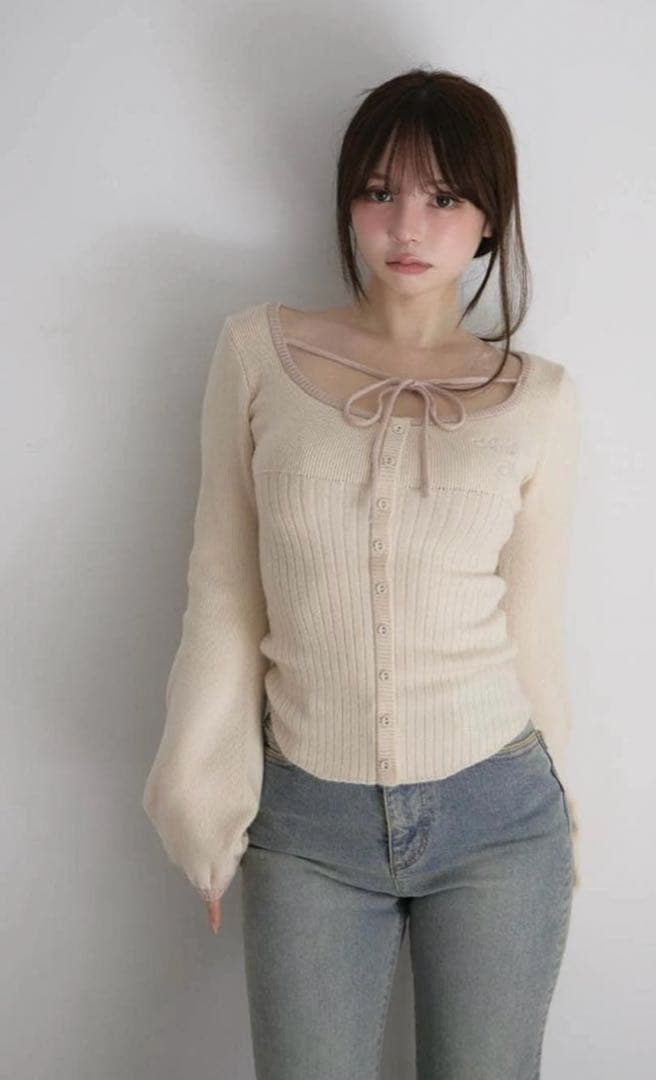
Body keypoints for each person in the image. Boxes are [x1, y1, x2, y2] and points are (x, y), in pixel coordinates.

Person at [142, 65, 582, 1079]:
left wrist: (564, 812)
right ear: (348, 203)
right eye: (380, 192)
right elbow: (223, 588)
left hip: (498, 819)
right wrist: (200, 797)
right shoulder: (257, 353)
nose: (406, 226)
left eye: (444, 197)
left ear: (489, 219)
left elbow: (534, 626)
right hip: (308, 825)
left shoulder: (540, 399)